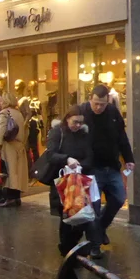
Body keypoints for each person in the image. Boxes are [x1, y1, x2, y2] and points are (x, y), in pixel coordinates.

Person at [45, 108, 104, 259]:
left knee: (81, 213)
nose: (77, 125)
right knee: (66, 214)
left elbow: (90, 156)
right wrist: (67, 159)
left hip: (81, 179)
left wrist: (80, 166)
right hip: (63, 181)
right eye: (74, 122)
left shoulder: (84, 135)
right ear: (67, 119)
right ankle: (66, 247)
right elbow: (51, 155)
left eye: (80, 122)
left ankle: (74, 246)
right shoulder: (58, 132)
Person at [80, 84, 135, 244]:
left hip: (111, 165)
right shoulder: (82, 112)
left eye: (102, 104)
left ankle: (100, 228)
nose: (98, 107)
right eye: (95, 103)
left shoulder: (112, 112)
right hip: (91, 167)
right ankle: (94, 244)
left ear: (107, 101)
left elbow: (121, 137)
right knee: (94, 207)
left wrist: (129, 158)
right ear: (90, 99)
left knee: (119, 198)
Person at [0, 94, 28, 207]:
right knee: (17, 172)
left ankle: (9, 198)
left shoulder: (4, 113)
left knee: (8, 171)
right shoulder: (19, 114)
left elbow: (1, 129)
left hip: (8, 146)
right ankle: (16, 197)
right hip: (19, 146)